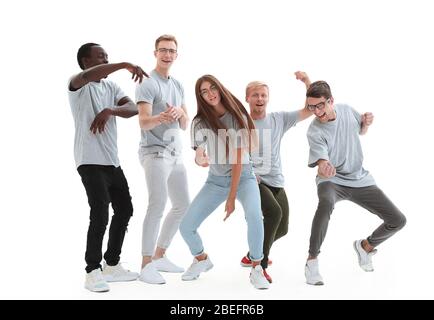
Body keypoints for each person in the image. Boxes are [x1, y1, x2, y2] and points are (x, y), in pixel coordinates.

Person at [304, 80, 407, 285]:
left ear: (331, 101)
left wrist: (365, 124)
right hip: (332, 180)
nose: (316, 111)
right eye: (311, 107)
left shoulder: (347, 110)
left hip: (360, 178)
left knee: (398, 220)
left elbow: (360, 130)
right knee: (325, 203)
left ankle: (365, 247)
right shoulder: (314, 130)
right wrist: (324, 166)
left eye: (320, 105)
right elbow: (322, 160)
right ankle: (312, 261)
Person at [68, 43, 146, 292]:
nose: (105, 60)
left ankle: (111, 264)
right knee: (100, 213)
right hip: (90, 161)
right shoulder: (77, 84)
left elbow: (133, 108)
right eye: (100, 57)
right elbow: (92, 75)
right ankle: (92, 271)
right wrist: (123, 65)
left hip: (112, 161)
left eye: (108, 57)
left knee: (125, 209)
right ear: (86, 62)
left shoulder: (110, 87)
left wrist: (111, 109)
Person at [179, 74, 270, 290]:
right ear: (200, 96)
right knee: (186, 226)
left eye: (212, 88)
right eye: (204, 91)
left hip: (244, 176)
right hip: (215, 181)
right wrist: (200, 157)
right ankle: (201, 259)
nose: (210, 94)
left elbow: (238, 161)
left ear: (219, 89)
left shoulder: (236, 116)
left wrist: (231, 198)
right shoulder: (199, 122)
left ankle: (257, 267)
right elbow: (199, 151)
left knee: (255, 216)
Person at [239, 72, 312, 283]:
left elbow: (309, 109)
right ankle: (259, 265)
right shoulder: (241, 122)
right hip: (253, 181)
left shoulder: (278, 119)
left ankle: (252, 252)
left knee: (283, 227)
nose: (259, 99)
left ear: (267, 98)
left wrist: (307, 82)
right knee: (274, 213)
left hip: (276, 179)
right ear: (248, 98)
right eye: (255, 95)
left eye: (263, 95)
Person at [136, 35, 190, 285]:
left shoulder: (177, 85)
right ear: (155, 53)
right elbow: (144, 122)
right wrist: (163, 117)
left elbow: (185, 122)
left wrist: (179, 113)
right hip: (154, 152)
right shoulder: (148, 83)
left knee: (182, 205)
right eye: (163, 50)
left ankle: (159, 255)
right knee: (157, 204)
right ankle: (146, 263)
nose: (167, 55)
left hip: (175, 153)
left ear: (176, 55)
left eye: (172, 51)